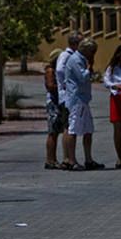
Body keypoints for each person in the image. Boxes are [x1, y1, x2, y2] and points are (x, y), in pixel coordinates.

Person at [64, 38, 104, 171]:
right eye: (92, 52)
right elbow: (82, 78)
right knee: (73, 129)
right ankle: (71, 160)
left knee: (88, 130)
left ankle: (88, 159)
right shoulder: (76, 60)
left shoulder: (81, 59)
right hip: (77, 100)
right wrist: (89, 68)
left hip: (84, 99)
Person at [56, 32, 82, 169]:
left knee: (68, 127)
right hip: (67, 96)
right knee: (69, 127)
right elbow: (60, 70)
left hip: (70, 96)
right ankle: (68, 158)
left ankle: (67, 157)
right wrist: (67, 83)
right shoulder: (66, 56)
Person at [44, 48, 64, 169]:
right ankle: (50, 159)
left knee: (56, 131)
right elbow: (51, 86)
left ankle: (52, 158)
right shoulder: (50, 71)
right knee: (53, 132)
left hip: (57, 102)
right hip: (53, 102)